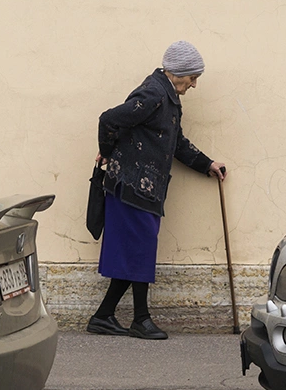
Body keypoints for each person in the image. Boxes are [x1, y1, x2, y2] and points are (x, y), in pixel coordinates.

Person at [87, 40, 226, 340]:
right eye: (193, 77)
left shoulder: (168, 98)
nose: (194, 84)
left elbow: (177, 143)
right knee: (140, 251)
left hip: (145, 189)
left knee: (137, 252)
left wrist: (207, 164)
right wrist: (106, 151)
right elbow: (108, 119)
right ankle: (139, 319)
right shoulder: (153, 94)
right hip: (130, 185)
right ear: (179, 72)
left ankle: (104, 316)